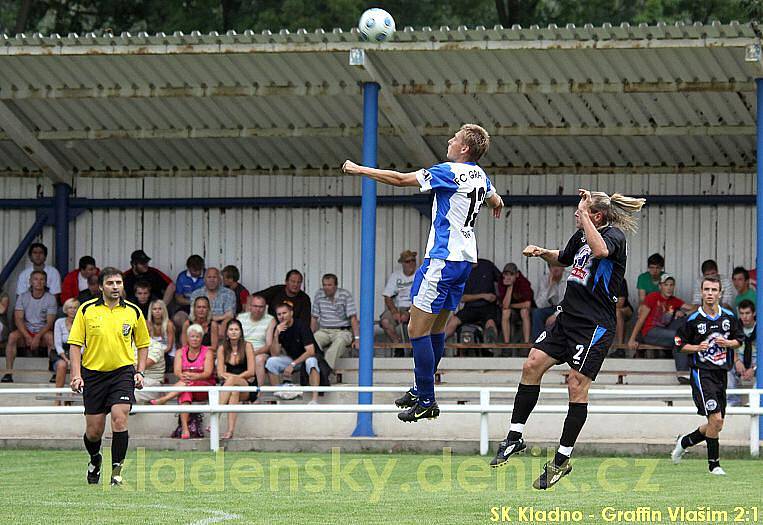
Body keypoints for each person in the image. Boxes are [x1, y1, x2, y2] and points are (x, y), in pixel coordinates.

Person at [343, 123, 504, 422]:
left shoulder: (448, 171)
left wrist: (360, 170)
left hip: (442, 260)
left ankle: (427, 399)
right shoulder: (481, 175)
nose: (449, 141)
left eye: (454, 139)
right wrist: (496, 204)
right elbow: (495, 198)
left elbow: (401, 179)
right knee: (437, 329)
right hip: (465, 260)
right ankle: (420, 389)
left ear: (464, 149)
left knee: (416, 330)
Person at [491, 189, 645, 490]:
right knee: (531, 365)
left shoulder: (613, 236)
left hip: (594, 326)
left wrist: (586, 218)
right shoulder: (582, 236)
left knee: (576, 385)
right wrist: (541, 253)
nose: (577, 213)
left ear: (596, 216)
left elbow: (600, 251)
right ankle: (515, 436)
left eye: (582, 210)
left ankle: (561, 460)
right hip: (567, 319)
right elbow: (563, 258)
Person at [68, 267, 150, 486]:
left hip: (122, 373)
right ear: (101, 286)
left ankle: (116, 473)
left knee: (119, 418)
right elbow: (75, 345)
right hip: (93, 375)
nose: (115, 287)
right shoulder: (86, 310)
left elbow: (143, 344)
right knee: (94, 432)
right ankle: (95, 460)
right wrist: (76, 375)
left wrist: (140, 371)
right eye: (111, 283)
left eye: (119, 283)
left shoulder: (133, 311)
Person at [670, 276, 744, 476]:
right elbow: (679, 344)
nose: (710, 293)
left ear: (720, 293)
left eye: (714, 290)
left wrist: (728, 344)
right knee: (716, 419)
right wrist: (696, 347)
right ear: (701, 293)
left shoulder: (728, 317)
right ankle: (714, 465)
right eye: (707, 290)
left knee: (716, 424)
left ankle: (684, 442)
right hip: (702, 375)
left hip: (722, 374)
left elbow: (739, 339)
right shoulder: (693, 320)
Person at [151, 324, 216, 439]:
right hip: (186, 384)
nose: (195, 339)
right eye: (192, 336)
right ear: (187, 338)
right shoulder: (181, 352)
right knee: (185, 392)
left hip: (204, 386)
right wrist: (184, 376)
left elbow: (207, 373)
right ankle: (185, 429)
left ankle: (165, 399)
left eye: (197, 336)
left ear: (201, 338)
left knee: (186, 385)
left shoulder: (208, 352)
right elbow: (177, 371)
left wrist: (192, 376)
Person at [627, 274, 694, 373]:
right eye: (666, 285)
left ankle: (683, 373)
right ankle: (683, 372)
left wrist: (683, 313)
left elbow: (695, 308)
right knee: (679, 338)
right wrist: (631, 340)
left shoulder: (674, 300)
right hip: (650, 332)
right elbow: (641, 319)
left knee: (680, 339)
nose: (669, 288)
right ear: (660, 286)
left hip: (665, 332)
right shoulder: (653, 297)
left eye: (671, 285)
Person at [266, 302, 326, 404]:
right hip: (293, 359)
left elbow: (310, 351)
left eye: (284, 313)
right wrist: (276, 334)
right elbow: (274, 353)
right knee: (271, 362)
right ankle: (278, 396)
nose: (282, 316)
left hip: (309, 357)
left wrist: (292, 365)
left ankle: (314, 400)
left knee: (311, 361)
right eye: (279, 314)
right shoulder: (279, 328)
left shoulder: (301, 325)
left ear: (291, 313)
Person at [2, 271, 57, 383]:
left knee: (51, 338)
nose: (39, 282)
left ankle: (54, 373)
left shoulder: (50, 298)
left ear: (45, 282)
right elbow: (18, 319)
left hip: (42, 332)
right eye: (36, 279)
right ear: (30, 281)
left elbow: (49, 322)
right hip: (25, 331)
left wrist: (37, 337)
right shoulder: (22, 297)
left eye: (42, 279)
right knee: (12, 336)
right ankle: (8, 373)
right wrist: (27, 336)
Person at [443, 258, 501, 344]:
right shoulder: (462, 272)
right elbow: (462, 298)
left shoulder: (487, 265)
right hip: (470, 308)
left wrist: (498, 297)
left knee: (491, 325)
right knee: (453, 321)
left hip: (488, 307)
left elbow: (502, 281)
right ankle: (438, 344)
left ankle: (492, 351)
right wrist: (483, 296)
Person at [311, 274, 360, 371]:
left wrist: (357, 339)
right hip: (324, 330)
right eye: (324, 285)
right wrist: (309, 336)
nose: (326, 288)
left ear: (336, 286)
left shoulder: (345, 295)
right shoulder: (319, 294)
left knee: (336, 346)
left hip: (342, 331)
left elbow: (353, 318)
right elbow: (314, 317)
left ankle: (325, 373)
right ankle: (314, 371)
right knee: (313, 342)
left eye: (329, 285)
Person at [216, 319, 255, 438]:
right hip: (230, 387)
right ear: (227, 332)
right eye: (231, 329)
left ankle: (216, 417)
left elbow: (251, 371)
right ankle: (230, 431)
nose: (233, 332)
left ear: (241, 332)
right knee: (234, 391)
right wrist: (231, 380)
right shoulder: (222, 348)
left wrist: (234, 378)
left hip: (247, 384)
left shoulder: (247, 346)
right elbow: (219, 373)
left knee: (232, 381)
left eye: (236, 329)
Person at [135, 299, 175, 403]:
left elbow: (168, 347)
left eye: (159, 309)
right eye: (154, 309)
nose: (157, 311)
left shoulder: (168, 324)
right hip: (149, 357)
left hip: (164, 352)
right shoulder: (148, 323)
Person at [238, 294, 276, 393]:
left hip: (260, 352)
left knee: (259, 360)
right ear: (250, 306)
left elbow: (268, 345)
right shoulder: (240, 318)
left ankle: (258, 393)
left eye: (261, 307)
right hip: (242, 350)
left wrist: (253, 354)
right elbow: (237, 339)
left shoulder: (270, 320)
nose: (258, 309)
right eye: (255, 306)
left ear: (265, 307)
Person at [380, 250, 418, 345]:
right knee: (385, 321)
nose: (411, 263)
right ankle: (398, 344)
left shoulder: (420, 275)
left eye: (413, 260)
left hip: (415, 308)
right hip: (398, 307)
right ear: (402, 263)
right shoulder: (395, 276)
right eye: (408, 261)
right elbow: (387, 296)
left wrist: (409, 312)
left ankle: (414, 349)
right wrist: (394, 312)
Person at [190, 267, 236, 339]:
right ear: (204, 279)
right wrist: (213, 320)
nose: (212, 280)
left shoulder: (229, 293)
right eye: (209, 277)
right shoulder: (196, 294)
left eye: (214, 277)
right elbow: (192, 315)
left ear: (220, 279)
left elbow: (230, 315)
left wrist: (220, 325)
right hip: (200, 324)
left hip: (220, 324)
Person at [498, 263, 535, 344]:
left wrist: (511, 306)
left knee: (524, 311)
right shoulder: (502, 282)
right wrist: (509, 287)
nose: (508, 277)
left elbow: (527, 304)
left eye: (511, 274)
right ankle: (506, 344)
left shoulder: (523, 282)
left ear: (517, 274)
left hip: (525, 310)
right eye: (506, 274)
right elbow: (505, 306)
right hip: (512, 310)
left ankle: (526, 343)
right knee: (505, 312)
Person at [728, 299, 756, 406]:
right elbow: (729, 346)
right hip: (739, 356)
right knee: (728, 367)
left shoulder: (760, 326)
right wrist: (737, 361)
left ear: (754, 313)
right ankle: (732, 402)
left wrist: (754, 368)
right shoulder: (735, 327)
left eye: (747, 313)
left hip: (757, 359)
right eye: (742, 313)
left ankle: (755, 402)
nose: (744, 316)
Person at [531, 264, 566, 342]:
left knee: (565, 316)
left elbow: (568, 303)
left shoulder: (569, 279)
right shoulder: (545, 279)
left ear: (563, 267)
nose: (555, 268)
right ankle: (538, 344)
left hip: (566, 309)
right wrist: (550, 286)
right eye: (552, 266)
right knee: (537, 313)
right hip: (552, 307)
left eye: (557, 265)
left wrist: (555, 315)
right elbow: (539, 305)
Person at [51, 298, 79, 397]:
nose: (72, 310)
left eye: (75, 308)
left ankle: (71, 397)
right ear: (66, 309)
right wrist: (67, 359)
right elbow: (57, 344)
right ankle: (58, 397)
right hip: (61, 353)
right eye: (70, 308)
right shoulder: (59, 322)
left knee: (74, 366)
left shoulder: (81, 322)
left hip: (78, 352)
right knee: (62, 365)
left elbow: (84, 344)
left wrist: (75, 358)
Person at [172, 254, 206, 326]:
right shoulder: (182, 277)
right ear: (188, 268)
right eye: (194, 270)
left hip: (205, 306)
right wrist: (193, 302)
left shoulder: (208, 276)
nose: (197, 272)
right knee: (178, 318)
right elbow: (179, 298)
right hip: (187, 305)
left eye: (199, 270)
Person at [614, 280, 633, 345]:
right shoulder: (598, 281)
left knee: (617, 313)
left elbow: (620, 304)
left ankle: (620, 347)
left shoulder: (620, 280)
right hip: (608, 310)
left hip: (625, 309)